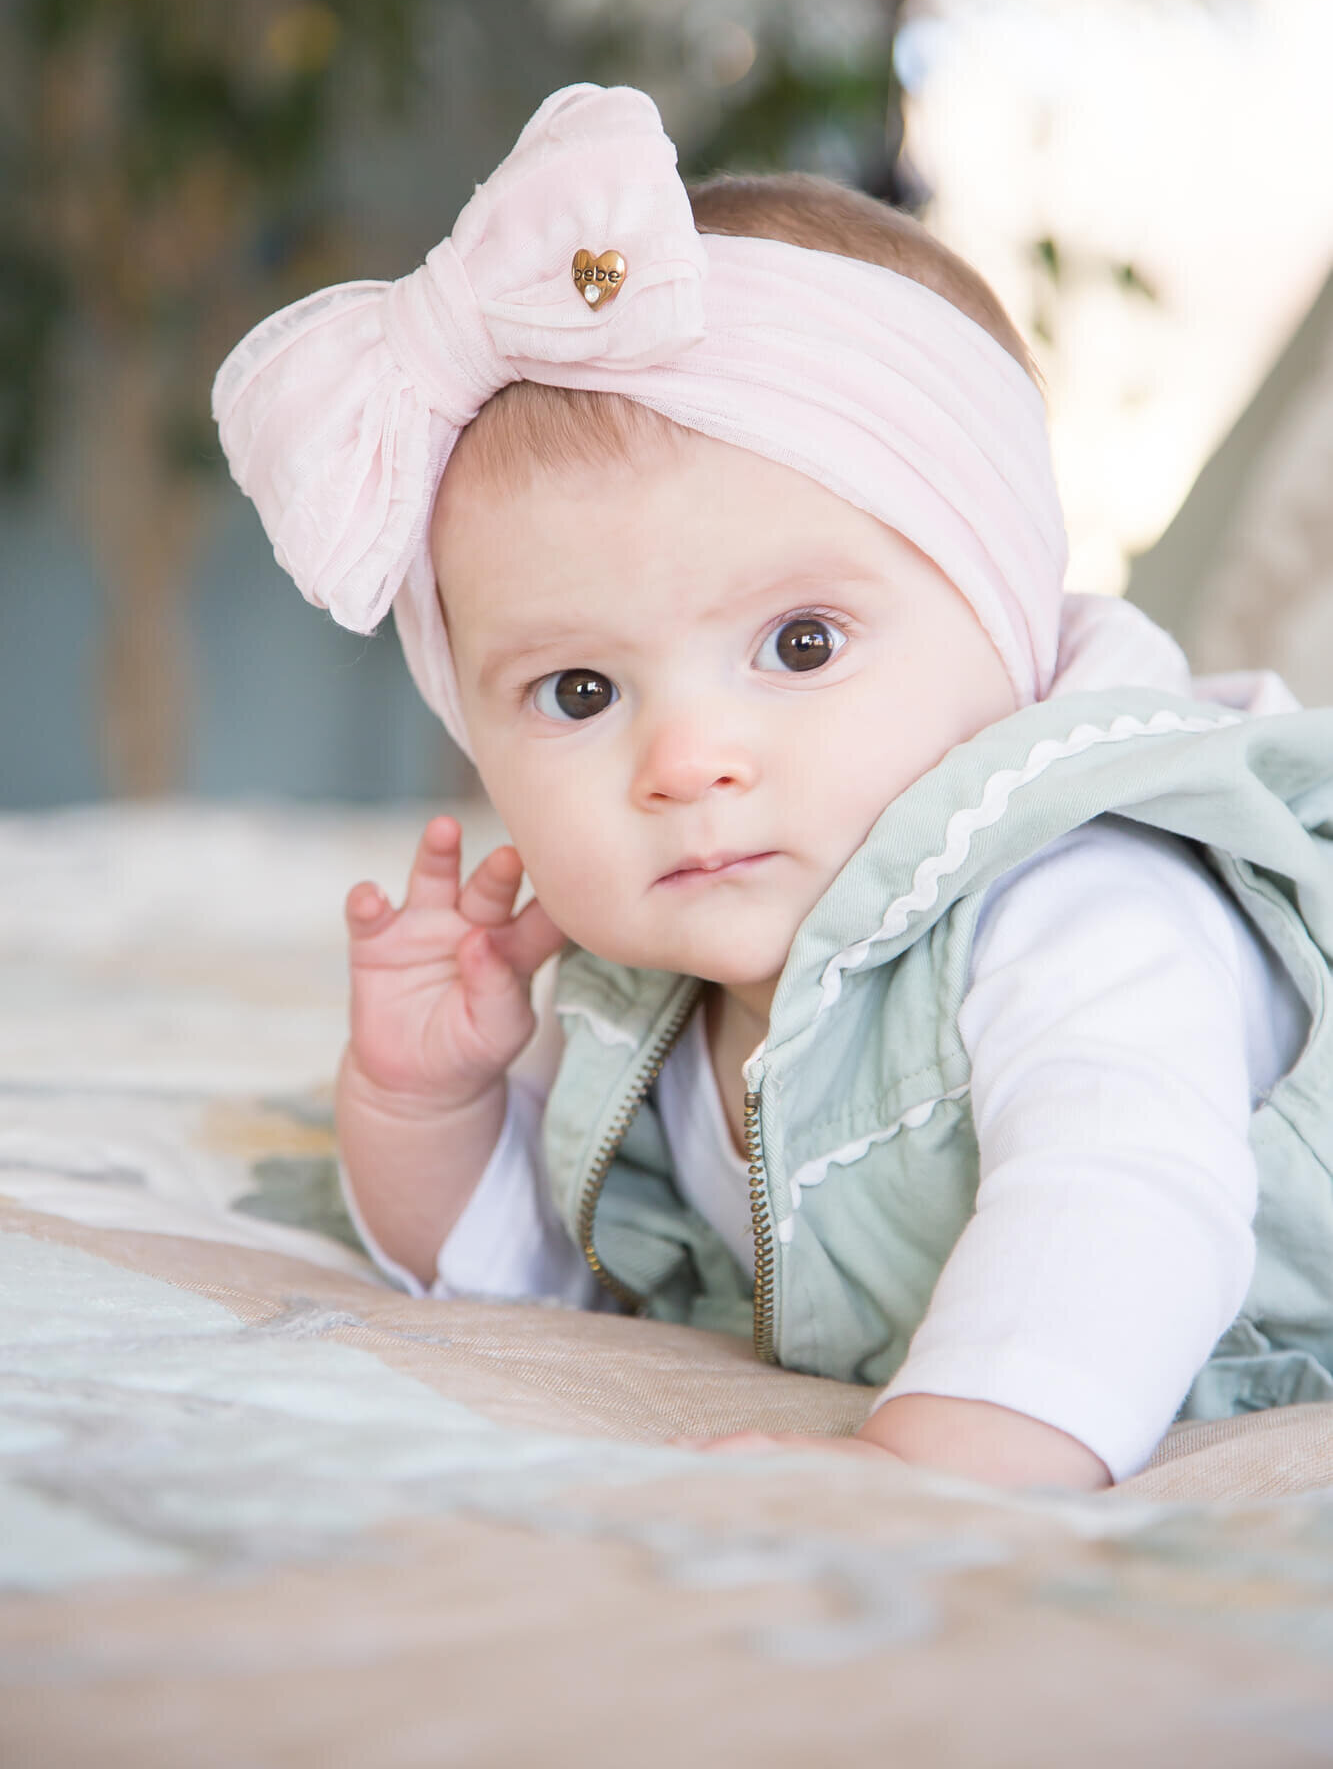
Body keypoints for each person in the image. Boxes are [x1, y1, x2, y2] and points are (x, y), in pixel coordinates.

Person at [213, 83, 1333, 1492]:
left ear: (1006, 623)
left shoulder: (1081, 898)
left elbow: (1123, 1199)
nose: (684, 762)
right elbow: (539, 1272)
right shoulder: (655, 990)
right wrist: (424, 1106)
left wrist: (937, 1468)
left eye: (798, 646)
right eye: (579, 693)